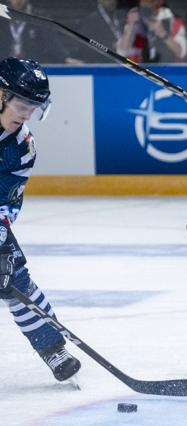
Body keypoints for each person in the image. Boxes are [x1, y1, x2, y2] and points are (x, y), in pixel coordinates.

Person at [0, 57, 81, 383]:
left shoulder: (21, 148)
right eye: (22, 105)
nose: (27, 114)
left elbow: (6, 199)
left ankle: (52, 348)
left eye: (33, 107)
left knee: (13, 275)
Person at [119, 0, 187, 63]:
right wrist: (130, 26)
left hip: (168, 71)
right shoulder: (135, 20)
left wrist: (162, 33)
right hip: (140, 71)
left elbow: (181, 52)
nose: (145, 3)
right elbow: (122, 52)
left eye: (150, 1)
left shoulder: (173, 21)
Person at [0, 0, 68, 64]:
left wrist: (64, 58)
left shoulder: (39, 17)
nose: (18, 0)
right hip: (5, 66)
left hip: (33, 67)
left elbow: (51, 42)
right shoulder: (1, 17)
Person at [66, 0, 125, 64]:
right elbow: (86, 48)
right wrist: (112, 46)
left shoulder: (122, 16)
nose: (113, 1)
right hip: (102, 65)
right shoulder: (91, 20)